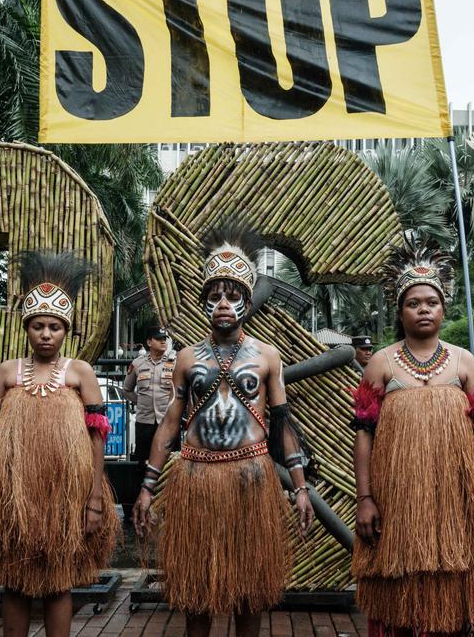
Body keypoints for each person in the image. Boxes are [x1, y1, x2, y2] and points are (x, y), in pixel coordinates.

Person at [133, 219, 314, 637]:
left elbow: (282, 423)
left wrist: (300, 488)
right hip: (196, 478)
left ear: (247, 303)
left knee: (248, 593)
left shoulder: (268, 357)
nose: (223, 303)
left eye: (233, 295)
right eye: (214, 295)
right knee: (197, 593)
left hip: (251, 478)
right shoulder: (187, 358)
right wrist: (146, 486)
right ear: (204, 303)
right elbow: (169, 426)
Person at [0, 251, 121, 637]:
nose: (46, 334)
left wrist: (94, 498)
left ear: (66, 330)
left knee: (58, 580)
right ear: (27, 328)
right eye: (38, 326)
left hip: (64, 494)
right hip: (14, 492)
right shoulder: (7, 372)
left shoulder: (80, 372)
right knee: (14, 579)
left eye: (54, 326)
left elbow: (97, 435)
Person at [350, 238, 474, 636]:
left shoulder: (464, 362)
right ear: (400, 312)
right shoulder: (381, 363)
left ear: (443, 308)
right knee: (397, 588)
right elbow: (363, 435)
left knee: (456, 585)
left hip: (456, 499)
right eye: (413, 303)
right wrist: (365, 499)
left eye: (430, 302)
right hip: (398, 501)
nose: (423, 309)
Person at [124, 326, 176, 466]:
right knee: (143, 463)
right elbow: (127, 390)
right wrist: (140, 401)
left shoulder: (174, 362)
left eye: (164, 339)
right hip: (144, 421)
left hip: (168, 421)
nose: (163, 342)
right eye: (159, 339)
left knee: (171, 463)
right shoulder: (138, 363)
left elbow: (182, 390)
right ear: (149, 342)